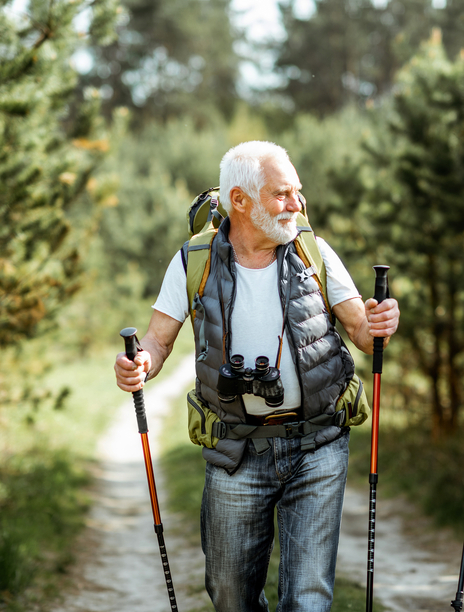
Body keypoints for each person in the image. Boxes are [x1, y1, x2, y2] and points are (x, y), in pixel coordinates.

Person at [114, 141, 400, 612]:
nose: (296, 204)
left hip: (318, 444)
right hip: (235, 448)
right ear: (239, 200)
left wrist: (382, 322)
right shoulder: (194, 260)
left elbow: (364, 334)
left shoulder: (314, 252)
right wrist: (138, 364)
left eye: (297, 192)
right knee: (230, 597)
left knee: (307, 600)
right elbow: (158, 341)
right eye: (281, 194)